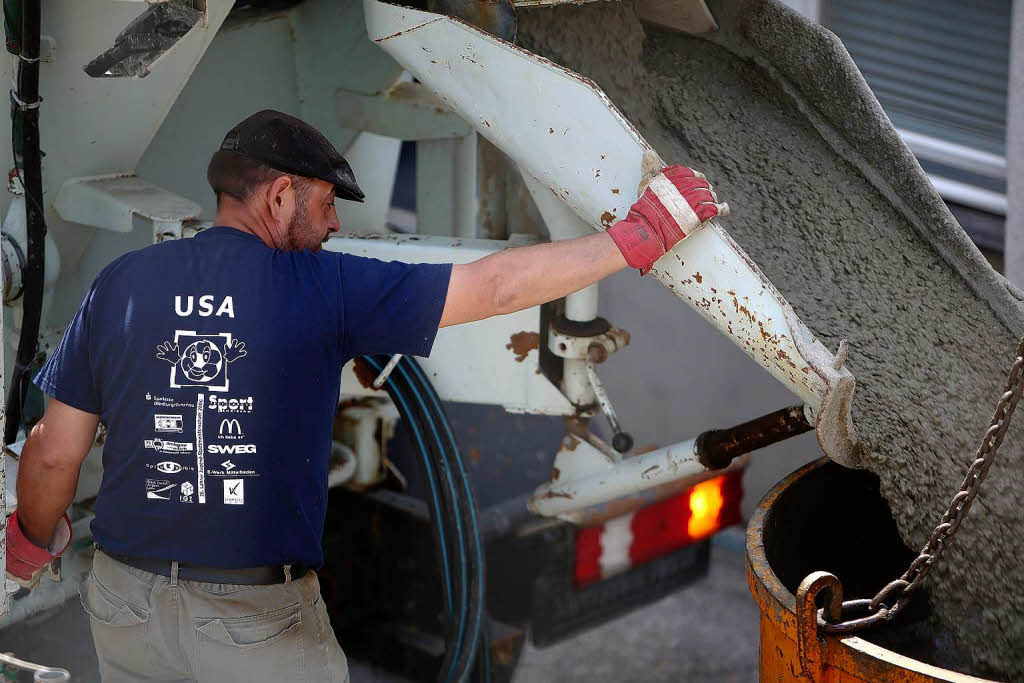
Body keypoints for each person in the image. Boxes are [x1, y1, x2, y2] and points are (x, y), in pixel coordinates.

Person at [4, 110, 725, 682]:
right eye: (323, 206)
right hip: (254, 623)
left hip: (125, 606)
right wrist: (633, 239)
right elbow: (495, 286)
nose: (335, 226)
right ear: (280, 194)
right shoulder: (325, 289)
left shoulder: (121, 284)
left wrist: (31, 549)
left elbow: (51, 455)